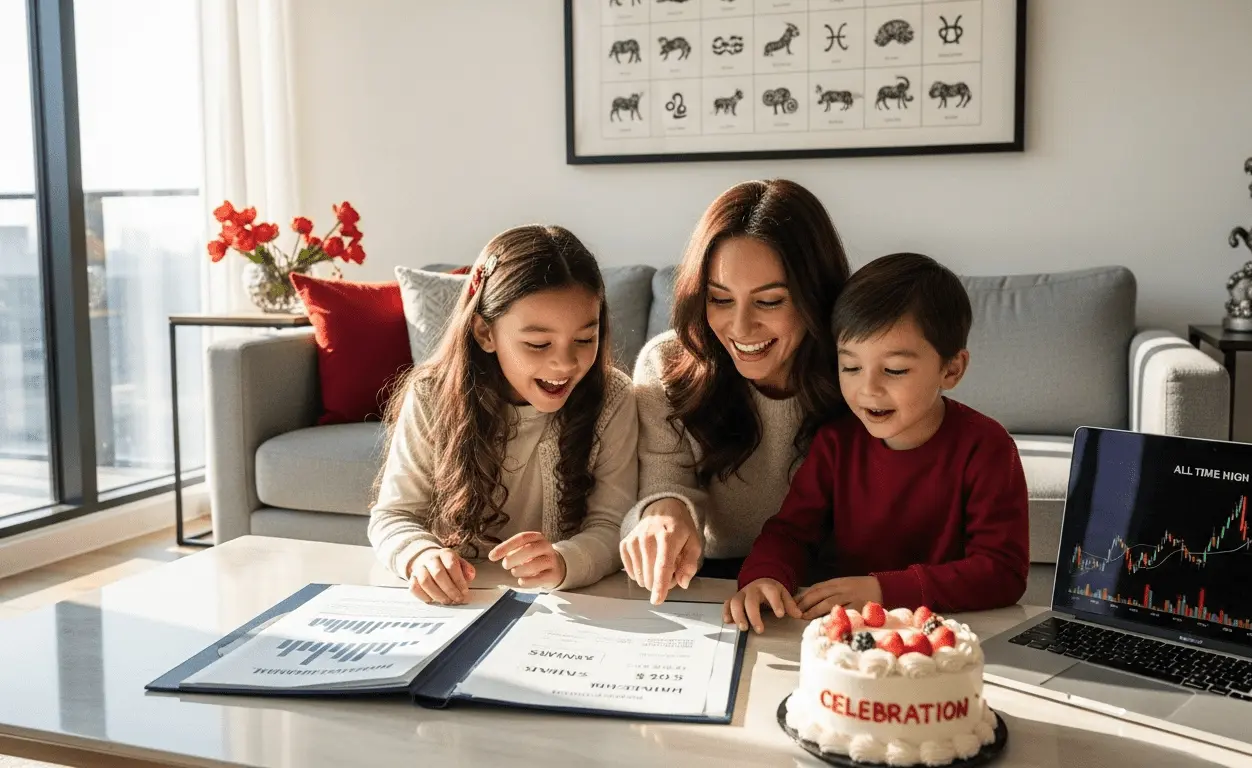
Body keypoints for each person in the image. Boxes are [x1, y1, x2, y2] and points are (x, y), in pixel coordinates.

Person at [723, 252, 1029, 632]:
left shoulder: (987, 447)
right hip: (848, 638)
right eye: (850, 367)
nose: (867, 389)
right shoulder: (836, 442)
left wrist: (884, 589)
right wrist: (764, 577)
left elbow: (1002, 572)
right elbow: (790, 533)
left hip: (948, 637)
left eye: (894, 370)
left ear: (951, 369)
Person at [368, 224, 639, 604]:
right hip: (460, 605)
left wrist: (564, 561)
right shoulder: (431, 395)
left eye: (584, 339)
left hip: (564, 607)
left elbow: (614, 524)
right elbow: (393, 516)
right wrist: (421, 556)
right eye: (538, 343)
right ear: (484, 332)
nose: (565, 363)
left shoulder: (613, 399)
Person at [619, 179, 852, 604]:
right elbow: (664, 480)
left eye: (769, 302)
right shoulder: (666, 365)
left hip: (827, 585)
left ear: (815, 295)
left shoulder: (856, 368)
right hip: (713, 580)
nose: (741, 329)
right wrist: (663, 513)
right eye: (720, 300)